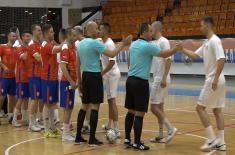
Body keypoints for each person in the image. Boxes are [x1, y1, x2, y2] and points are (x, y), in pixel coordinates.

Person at [124, 23, 180, 150]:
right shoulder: (148, 46)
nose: (151, 33)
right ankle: (137, 142)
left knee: (130, 112)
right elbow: (165, 54)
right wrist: (175, 49)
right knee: (139, 114)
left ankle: (127, 139)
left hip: (130, 79)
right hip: (140, 82)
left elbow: (129, 60)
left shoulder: (133, 44)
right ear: (144, 32)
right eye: (149, 31)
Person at [75, 21, 132, 146]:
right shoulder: (96, 43)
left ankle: (78, 136)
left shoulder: (80, 44)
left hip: (85, 76)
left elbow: (77, 64)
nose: (98, 30)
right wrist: (123, 44)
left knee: (84, 106)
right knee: (95, 107)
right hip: (95, 76)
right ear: (90, 30)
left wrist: (79, 82)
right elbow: (112, 54)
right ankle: (92, 139)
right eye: (96, 28)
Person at [180, 16, 226, 152]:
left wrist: (216, 78)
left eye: (201, 25)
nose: (200, 28)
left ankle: (211, 139)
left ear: (207, 25)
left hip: (214, 79)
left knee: (200, 108)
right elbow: (194, 56)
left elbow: (222, 59)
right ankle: (222, 143)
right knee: (217, 110)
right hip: (217, 79)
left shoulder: (215, 41)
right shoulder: (207, 42)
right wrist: (181, 49)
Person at [149, 21, 177, 143]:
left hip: (161, 78)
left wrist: (164, 77)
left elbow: (168, 59)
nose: (150, 31)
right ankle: (160, 134)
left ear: (156, 28)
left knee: (153, 108)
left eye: (151, 29)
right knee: (160, 107)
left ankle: (171, 128)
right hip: (158, 77)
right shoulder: (155, 42)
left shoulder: (164, 41)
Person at [99, 22, 121, 136]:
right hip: (107, 76)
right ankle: (109, 124)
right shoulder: (100, 41)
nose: (99, 31)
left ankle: (117, 128)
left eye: (101, 29)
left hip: (112, 75)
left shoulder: (110, 44)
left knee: (112, 101)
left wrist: (101, 73)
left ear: (106, 31)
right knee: (109, 100)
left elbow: (112, 62)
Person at [41, 24, 61, 137]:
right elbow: (58, 49)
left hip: (53, 78)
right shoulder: (45, 45)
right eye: (51, 32)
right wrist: (67, 41)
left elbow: (57, 47)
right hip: (47, 78)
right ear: (46, 34)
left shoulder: (51, 43)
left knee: (53, 103)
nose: (53, 33)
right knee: (47, 104)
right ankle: (46, 129)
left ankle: (53, 128)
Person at [59, 27, 77, 141]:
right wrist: (71, 81)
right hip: (66, 82)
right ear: (69, 36)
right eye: (74, 36)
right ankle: (65, 134)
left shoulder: (73, 47)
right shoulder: (65, 48)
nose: (76, 38)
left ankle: (68, 131)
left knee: (69, 107)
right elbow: (63, 67)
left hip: (72, 82)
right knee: (66, 108)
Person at [12, 31, 31, 127]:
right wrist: (30, 50)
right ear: (22, 37)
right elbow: (23, 57)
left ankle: (25, 119)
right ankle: (14, 119)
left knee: (26, 99)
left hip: (28, 78)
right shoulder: (19, 48)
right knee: (20, 98)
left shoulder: (28, 47)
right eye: (27, 36)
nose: (29, 38)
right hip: (21, 78)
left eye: (29, 36)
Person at [28, 24, 43, 131]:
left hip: (40, 75)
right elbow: (38, 58)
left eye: (41, 30)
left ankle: (35, 121)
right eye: (38, 30)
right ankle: (31, 124)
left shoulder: (39, 44)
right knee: (34, 99)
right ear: (33, 31)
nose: (40, 32)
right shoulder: (32, 44)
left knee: (38, 99)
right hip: (33, 75)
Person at [0, 31, 17, 123]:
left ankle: (10, 117)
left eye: (15, 36)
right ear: (8, 37)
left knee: (12, 97)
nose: (14, 38)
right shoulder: (2, 47)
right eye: (13, 36)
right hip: (4, 77)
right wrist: (3, 66)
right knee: (2, 97)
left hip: (13, 77)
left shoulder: (16, 49)